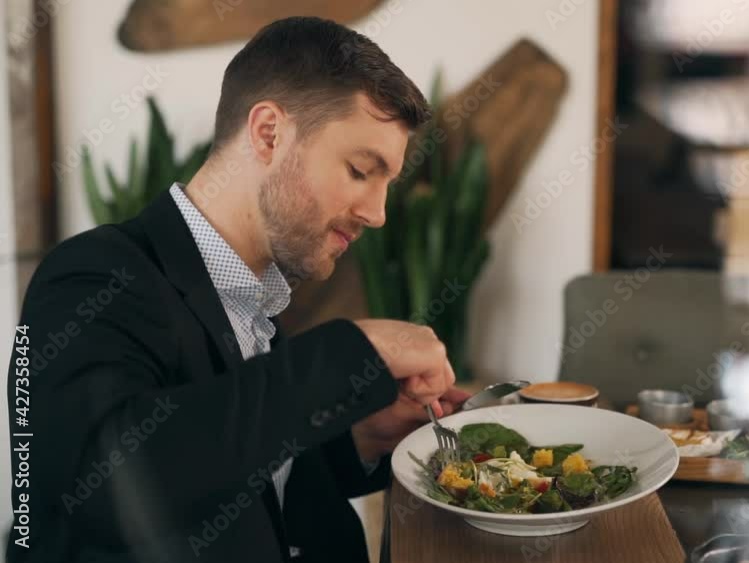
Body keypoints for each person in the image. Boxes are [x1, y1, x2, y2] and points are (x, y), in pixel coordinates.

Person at [6, 16, 469, 563]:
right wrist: (352, 350)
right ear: (269, 133)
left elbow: (241, 473)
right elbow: (106, 485)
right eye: (360, 169)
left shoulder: (251, 301)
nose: (377, 213)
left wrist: (359, 440)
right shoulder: (91, 274)